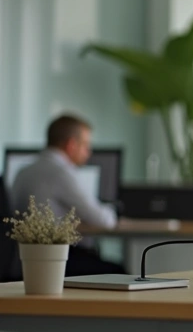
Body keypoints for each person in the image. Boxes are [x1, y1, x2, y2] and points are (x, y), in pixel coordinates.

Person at [11, 114, 123, 276]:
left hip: (25, 260)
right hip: (59, 259)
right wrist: (114, 211)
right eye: (85, 145)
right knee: (119, 272)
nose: (88, 152)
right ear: (71, 145)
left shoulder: (22, 172)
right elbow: (102, 220)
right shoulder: (62, 173)